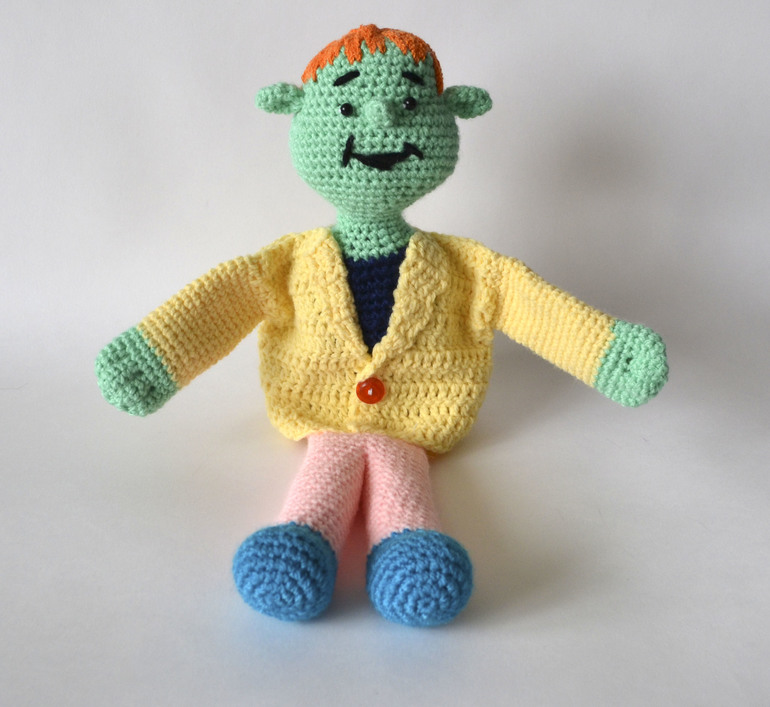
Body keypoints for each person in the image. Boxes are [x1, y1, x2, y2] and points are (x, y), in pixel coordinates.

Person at [96, 25, 668, 627]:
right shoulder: (286, 263)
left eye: (410, 105)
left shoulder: (466, 268)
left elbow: (534, 307)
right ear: (302, 117)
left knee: (395, 462)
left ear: (448, 118)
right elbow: (222, 303)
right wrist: (155, 355)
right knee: (335, 458)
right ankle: (308, 541)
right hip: (319, 411)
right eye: (347, 107)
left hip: (419, 419)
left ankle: (399, 549)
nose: (382, 122)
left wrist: (606, 352)